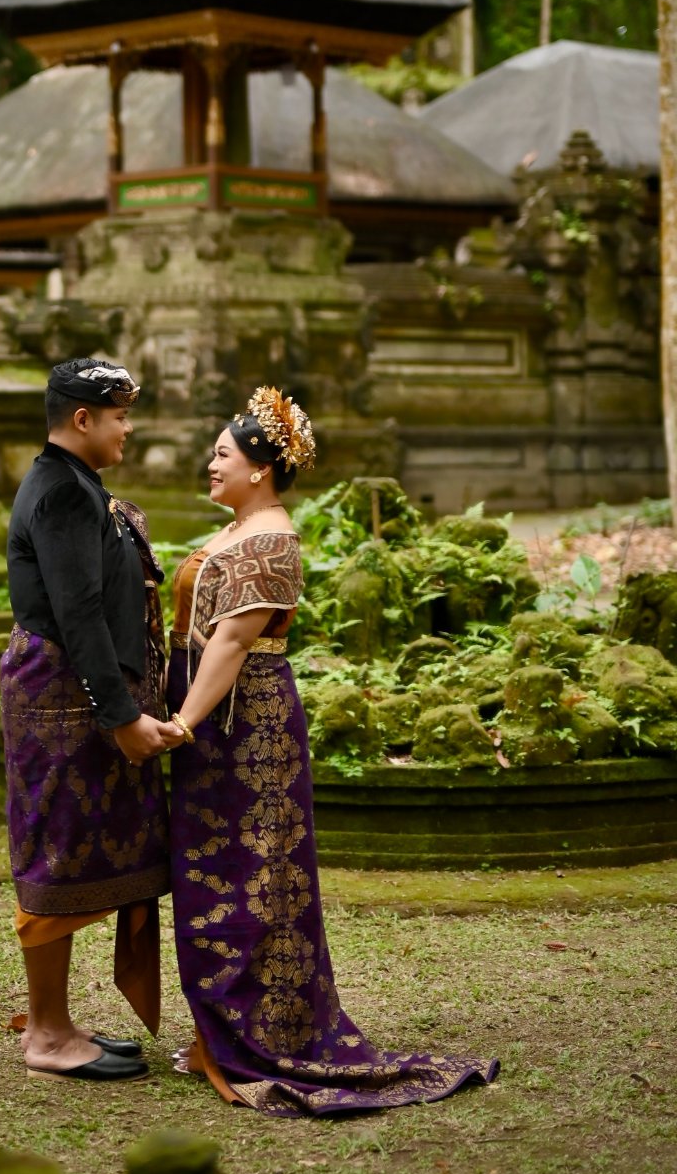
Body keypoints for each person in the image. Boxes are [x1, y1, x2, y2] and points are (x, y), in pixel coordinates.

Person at [165, 386, 499, 1117]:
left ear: (259, 468)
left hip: (245, 728)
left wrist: (184, 722)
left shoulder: (269, 540)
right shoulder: (241, 529)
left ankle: (261, 1034)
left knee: (256, 881)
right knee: (213, 876)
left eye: (222, 454)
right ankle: (218, 1031)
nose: (210, 464)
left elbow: (231, 644)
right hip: (216, 723)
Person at [0, 357, 184, 1082]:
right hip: (62, 696)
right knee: (55, 851)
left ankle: (58, 1021)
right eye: (119, 417)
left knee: (73, 848)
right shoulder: (62, 494)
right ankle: (46, 1034)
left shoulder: (75, 484)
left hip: (74, 691)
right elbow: (77, 614)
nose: (128, 430)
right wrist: (122, 716)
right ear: (83, 420)